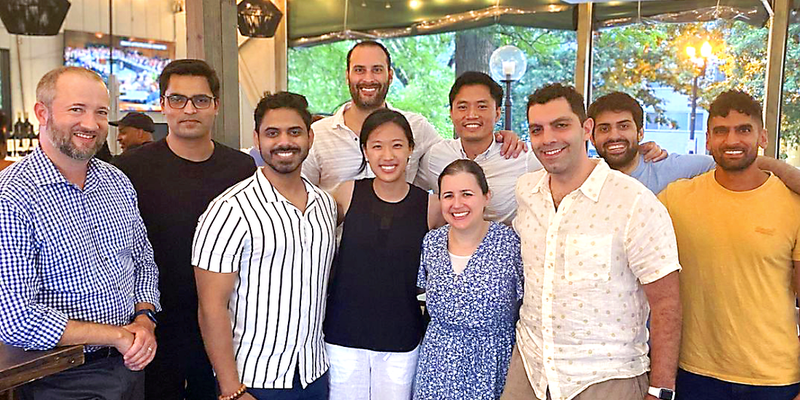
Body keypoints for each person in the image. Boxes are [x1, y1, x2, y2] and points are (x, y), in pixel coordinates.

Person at [502, 83, 682, 400]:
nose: (548, 139)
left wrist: (661, 390)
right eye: (537, 129)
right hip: (531, 369)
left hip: (606, 377)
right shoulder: (526, 192)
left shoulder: (634, 201)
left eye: (561, 125)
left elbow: (667, 303)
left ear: (586, 128)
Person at [0, 66, 160, 399]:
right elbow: (17, 319)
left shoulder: (117, 182)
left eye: (100, 112)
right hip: (60, 375)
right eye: (76, 109)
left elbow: (143, 260)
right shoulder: (13, 195)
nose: (90, 124)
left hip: (130, 364)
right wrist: (115, 335)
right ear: (42, 113)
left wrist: (144, 318)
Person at [114, 59, 256, 400]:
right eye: (178, 99)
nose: (189, 109)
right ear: (163, 105)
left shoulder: (240, 167)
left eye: (201, 100)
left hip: (227, 318)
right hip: (153, 320)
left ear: (216, 106)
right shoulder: (130, 169)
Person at [658, 90, 800, 400]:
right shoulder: (676, 199)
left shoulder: (793, 203)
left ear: (762, 136)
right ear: (708, 140)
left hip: (775, 377)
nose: (731, 140)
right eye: (721, 131)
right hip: (696, 373)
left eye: (743, 130)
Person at [194, 92, 336, 400]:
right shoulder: (229, 209)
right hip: (253, 381)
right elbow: (210, 308)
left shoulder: (325, 204)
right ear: (257, 139)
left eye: (294, 132)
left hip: (314, 373)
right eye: (273, 133)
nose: (284, 142)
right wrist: (231, 388)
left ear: (310, 137)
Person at [323, 109, 443, 400]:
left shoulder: (431, 206)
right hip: (343, 334)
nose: (387, 155)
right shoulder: (346, 193)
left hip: (401, 336)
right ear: (365, 150)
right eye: (377, 146)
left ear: (411, 150)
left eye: (397, 145)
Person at [303, 40, 524, 193]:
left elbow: (458, 159)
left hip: (406, 252)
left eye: (377, 70)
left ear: (390, 76)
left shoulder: (416, 127)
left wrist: (497, 138)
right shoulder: (319, 136)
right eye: (360, 70)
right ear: (348, 76)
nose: (368, 78)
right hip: (339, 255)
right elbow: (301, 196)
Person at [414, 159, 523, 400]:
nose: (457, 204)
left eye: (467, 194)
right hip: (437, 367)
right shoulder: (431, 243)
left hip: (492, 365)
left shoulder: (510, 244)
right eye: (448, 195)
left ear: (486, 196)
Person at [588, 91, 800, 194]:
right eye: (605, 129)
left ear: (641, 133)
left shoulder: (671, 168)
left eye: (624, 126)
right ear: (591, 136)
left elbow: (735, 160)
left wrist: (788, 174)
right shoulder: (583, 178)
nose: (614, 136)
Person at [423, 71, 542, 225]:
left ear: (497, 113)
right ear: (451, 113)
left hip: (506, 246)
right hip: (454, 245)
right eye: (463, 107)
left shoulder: (522, 157)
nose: (471, 115)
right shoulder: (436, 156)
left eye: (482, 106)